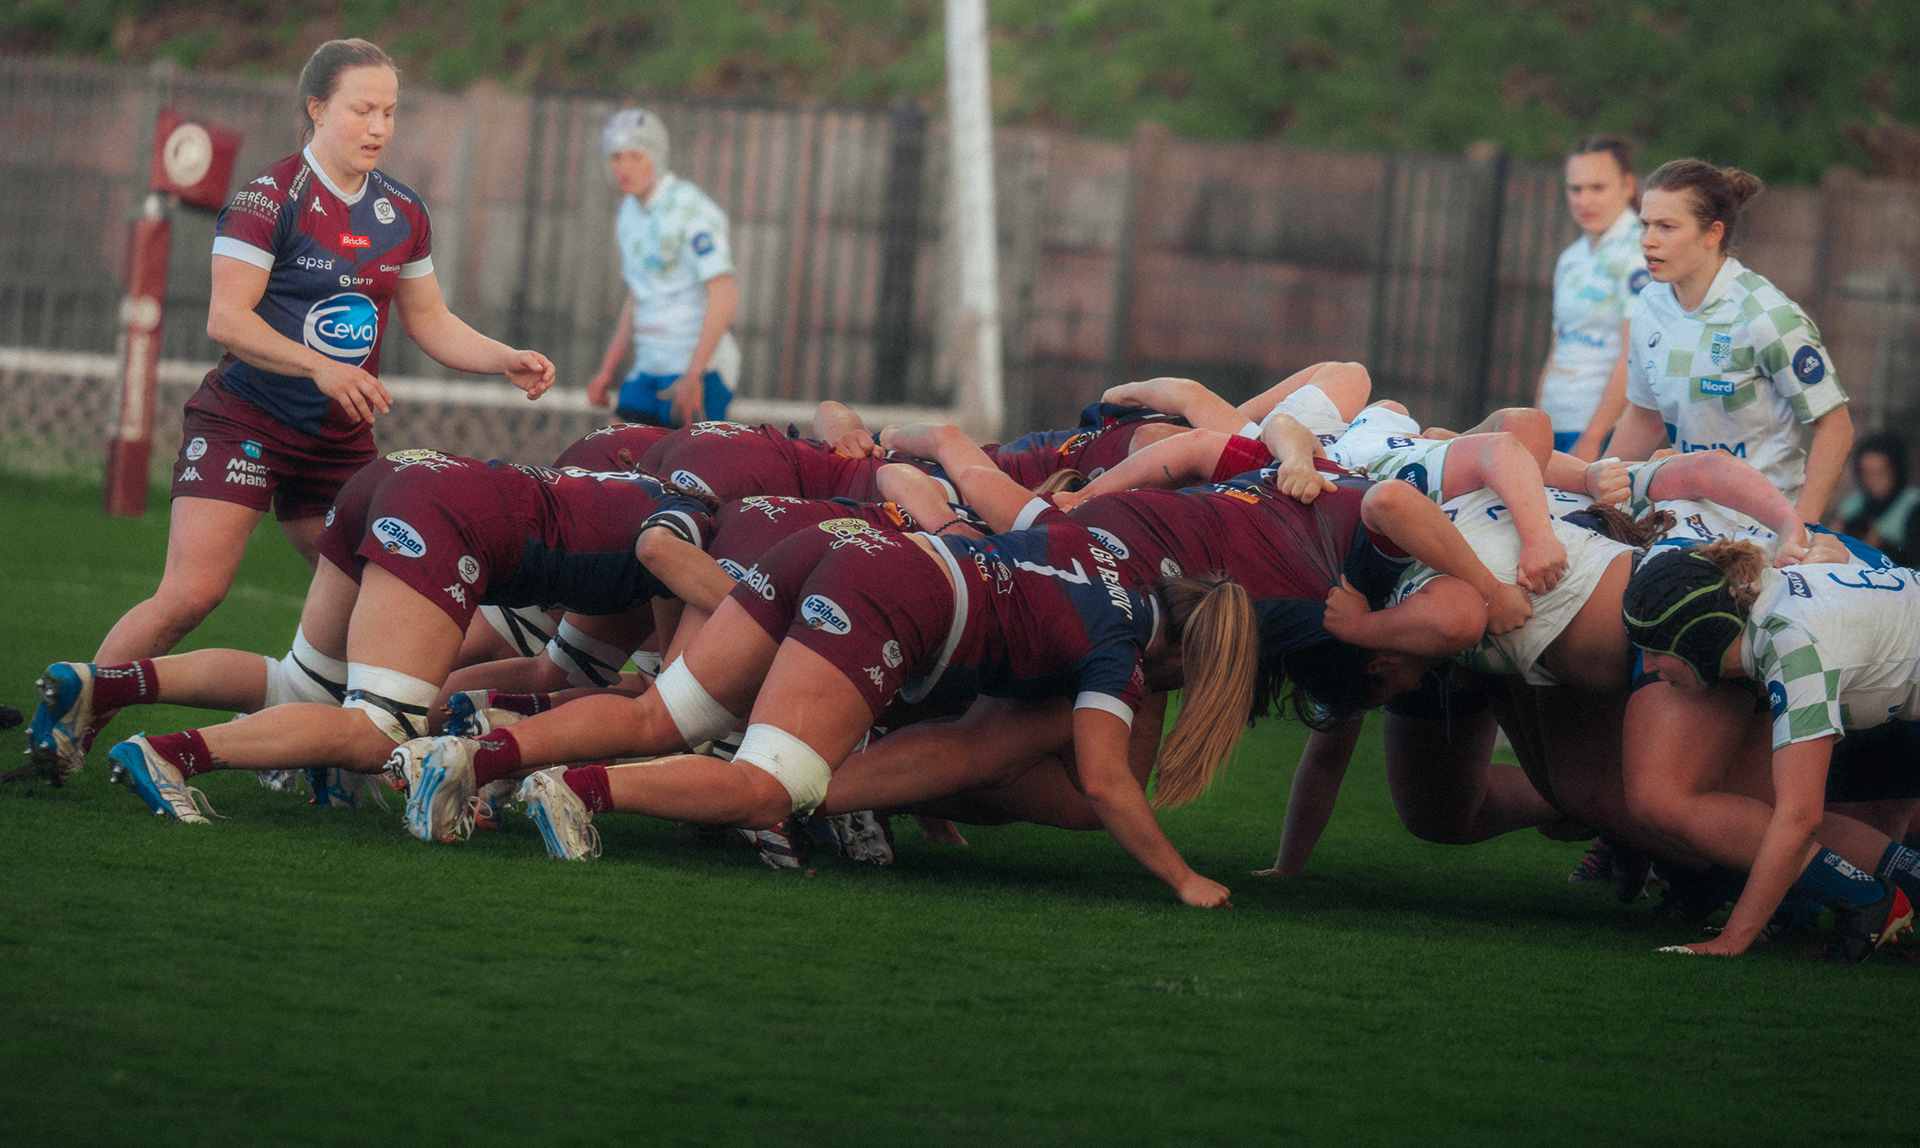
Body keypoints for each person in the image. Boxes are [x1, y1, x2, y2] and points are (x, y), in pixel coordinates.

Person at [25, 38, 555, 782]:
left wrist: (503, 357)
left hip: (337, 443)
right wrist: (320, 365)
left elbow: (430, 320)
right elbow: (227, 319)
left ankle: (309, 750)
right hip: (246, 423)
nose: (379, 126)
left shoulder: (402, 210)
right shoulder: (269, 198)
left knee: (378, 600)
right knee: (192, 594)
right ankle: (75, 720)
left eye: (390, 111)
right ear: (317, 108)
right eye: (362, 110)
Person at [48, 451, 696, 822]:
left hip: (399, 475)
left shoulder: (650, 487)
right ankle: (168, 754)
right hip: (444, 513)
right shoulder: (696, 535)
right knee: (381, 728)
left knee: (299, 682)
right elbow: (672, 690)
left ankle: (102, 685)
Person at [1620, 542, 1920, 960]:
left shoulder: (1794, 647)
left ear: (1698, 637)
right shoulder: (1769, 603)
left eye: (1656, 648)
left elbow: (1800, 818)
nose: (1649, 666)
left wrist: (1731, 941)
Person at [1610, 159, 1854, 524]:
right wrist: (1599, 494)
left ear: (1713, 234)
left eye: (1666, 226)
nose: (1648, 240)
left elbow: (1836, 427)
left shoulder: (1766, 316)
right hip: (1686, 517)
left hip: (1759, 526)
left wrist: (1798, 527)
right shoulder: (1649, 304)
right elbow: (1645, 418)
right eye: (1645, 224)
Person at [584, 108, 739, 428]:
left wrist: (694, 375)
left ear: (658, 157)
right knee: (615, 452)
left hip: (698, 371)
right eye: (616, 157)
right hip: (649, 367)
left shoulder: (691, 209)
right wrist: (607, 370)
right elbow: (639, 294)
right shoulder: (629, 212)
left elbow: (725, 295)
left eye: (636, 156)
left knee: (683, 461)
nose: (625, 167)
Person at [1536, 136, 1648, 459]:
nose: (1584, 200)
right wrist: (1537, 422)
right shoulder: (1571, 258)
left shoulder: (1642, 252)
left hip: (1601, 433)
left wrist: (1593, 438)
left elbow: (1635, 356)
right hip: (1555, 423)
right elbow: (1557, 347)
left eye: (1597, 188)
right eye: (1576, 189)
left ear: (1628, 186)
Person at [1835, 431, 1920, 568]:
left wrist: (1881, 545)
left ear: (1897, 470)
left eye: (1880, 472)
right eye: (1866, 472)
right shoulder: (1852, 505)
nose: (1873, 480)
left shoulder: (1913, 504)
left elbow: (1915, 560)